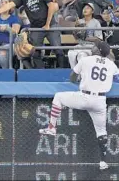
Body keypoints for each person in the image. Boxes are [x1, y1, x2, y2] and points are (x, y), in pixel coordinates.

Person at [39, 40, 119, 170]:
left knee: (58, 97)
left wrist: (81, 78)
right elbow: (117, 78)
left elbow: (72, 77)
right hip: (100, 101)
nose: (93, 47)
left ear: (98, 50)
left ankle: (52, 127)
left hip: (84, 97)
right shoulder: (111, 64)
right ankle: (103, 161)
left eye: (95, 46)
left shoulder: (86, 60)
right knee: (101, 132)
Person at [68, 3, 103, 69]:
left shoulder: (96, 22)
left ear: (92, 11)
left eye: (88, 8)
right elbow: (76, 38)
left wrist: (85, 37)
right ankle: (74, 73)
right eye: (84, 8)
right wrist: (76, 30)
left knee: (81, 55)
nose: (85, 9)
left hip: (91, 46)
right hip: (80, 45)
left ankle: (82, 75)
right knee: (71, 53)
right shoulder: (79, 21)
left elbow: (99, 39)